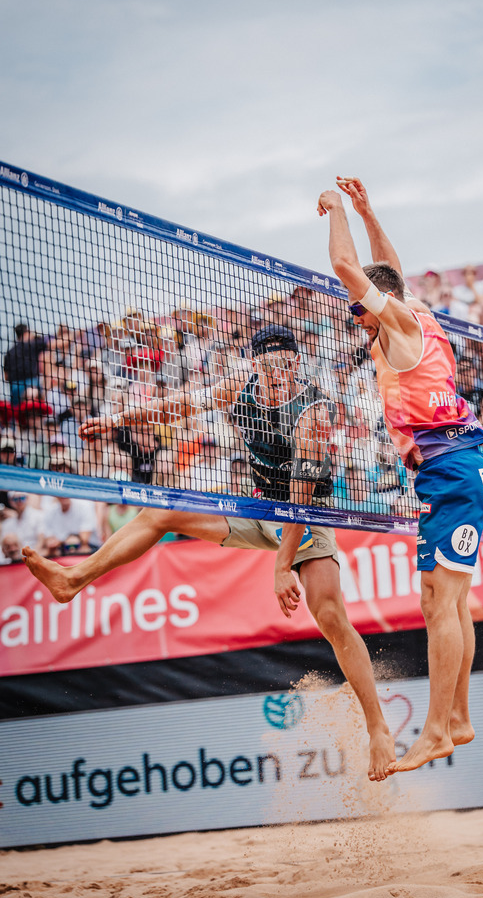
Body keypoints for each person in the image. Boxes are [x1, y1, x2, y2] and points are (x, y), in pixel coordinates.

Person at [22, 323, 396, 782]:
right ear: (255, 365)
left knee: (332, 617)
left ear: (297, 362)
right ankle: (72, 579)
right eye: (267, 363)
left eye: (285, 363)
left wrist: (283, 568)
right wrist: (120, 420)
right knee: (160, 512)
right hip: (257, 505)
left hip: (308, 515)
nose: (276, 371)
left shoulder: (313, 412)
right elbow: (177, 406)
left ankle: (377, 727)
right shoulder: (238, 387)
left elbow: (298, 500)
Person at [322, 176, 483, 773]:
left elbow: (348, 264)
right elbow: (387, 268)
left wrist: (338, 209)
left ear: (379, 304)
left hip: (452, 470)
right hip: (455, 468)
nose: (357, 323)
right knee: (451, 601)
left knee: (436, 603)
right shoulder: (416, 312)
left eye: (361, 312)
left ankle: (433, 732)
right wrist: (372, 211)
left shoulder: (396, 325)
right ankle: (459, 719)